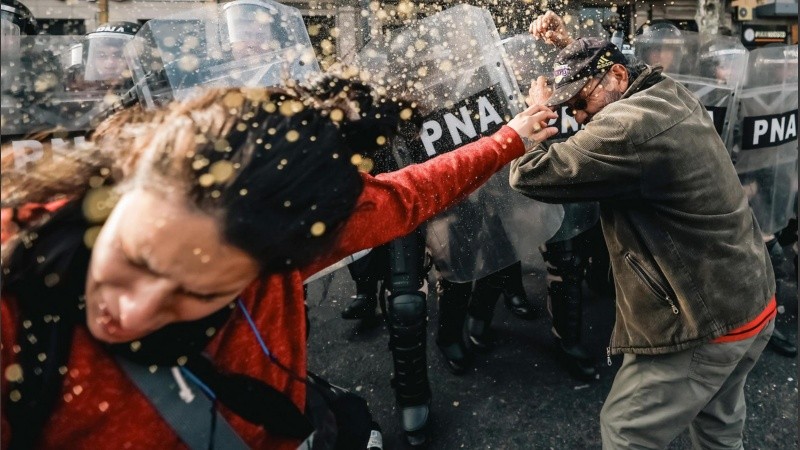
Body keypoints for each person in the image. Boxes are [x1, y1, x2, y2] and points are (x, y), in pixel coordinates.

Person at [0, 75, 558, 449]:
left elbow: (409, 193)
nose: (131, 313)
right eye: (135, 257)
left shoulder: (288, 231)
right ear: (130, 171)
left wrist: (513, 135)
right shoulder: (13, 278)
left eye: (198, 293)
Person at [517, 11, 776, 448]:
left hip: (703, 322)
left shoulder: (627, 127)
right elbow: (606, 72)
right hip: (748, 300)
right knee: (718, 430)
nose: (577, 116)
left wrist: (528, 119)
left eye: (581, 101)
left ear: (618, 74)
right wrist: (570, 50)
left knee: (625, 432)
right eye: (569, 106)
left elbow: (530, 174)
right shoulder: (662, 91)